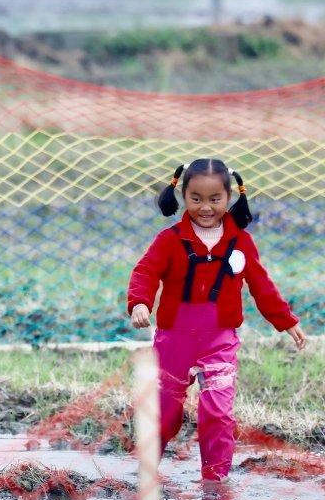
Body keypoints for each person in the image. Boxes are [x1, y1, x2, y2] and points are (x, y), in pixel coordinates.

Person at [128, 158, 307, 481]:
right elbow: (146, 272)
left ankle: (215, 479)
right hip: (174, 340)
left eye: (215, 199)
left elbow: (262, 286)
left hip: (219, 341)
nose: (206, 207)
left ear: (229, 197)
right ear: (183, 195)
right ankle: (146, 469)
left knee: (217, 411)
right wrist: (140, 302)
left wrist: (286, 320)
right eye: (196, 198)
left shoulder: (241, 242)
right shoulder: (170, 239)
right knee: (165, 412)